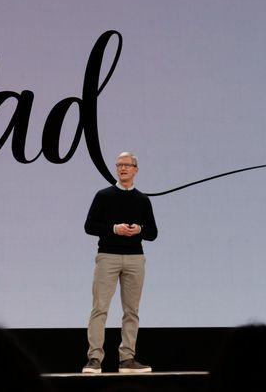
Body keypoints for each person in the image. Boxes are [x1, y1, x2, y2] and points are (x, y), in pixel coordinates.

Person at [82, 152, 158, 374]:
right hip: (108, 256)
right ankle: (94, 358)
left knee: (131, 310)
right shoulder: (103, 196)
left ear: (136, 169)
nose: (122, 168)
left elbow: (153, 233)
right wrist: (114, 229)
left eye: (127, 165)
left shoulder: (142, 200)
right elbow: (89, 226)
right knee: (100, 308)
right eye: (119, 165)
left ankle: (127, 359)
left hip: (135, 258)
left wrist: (139, 229)